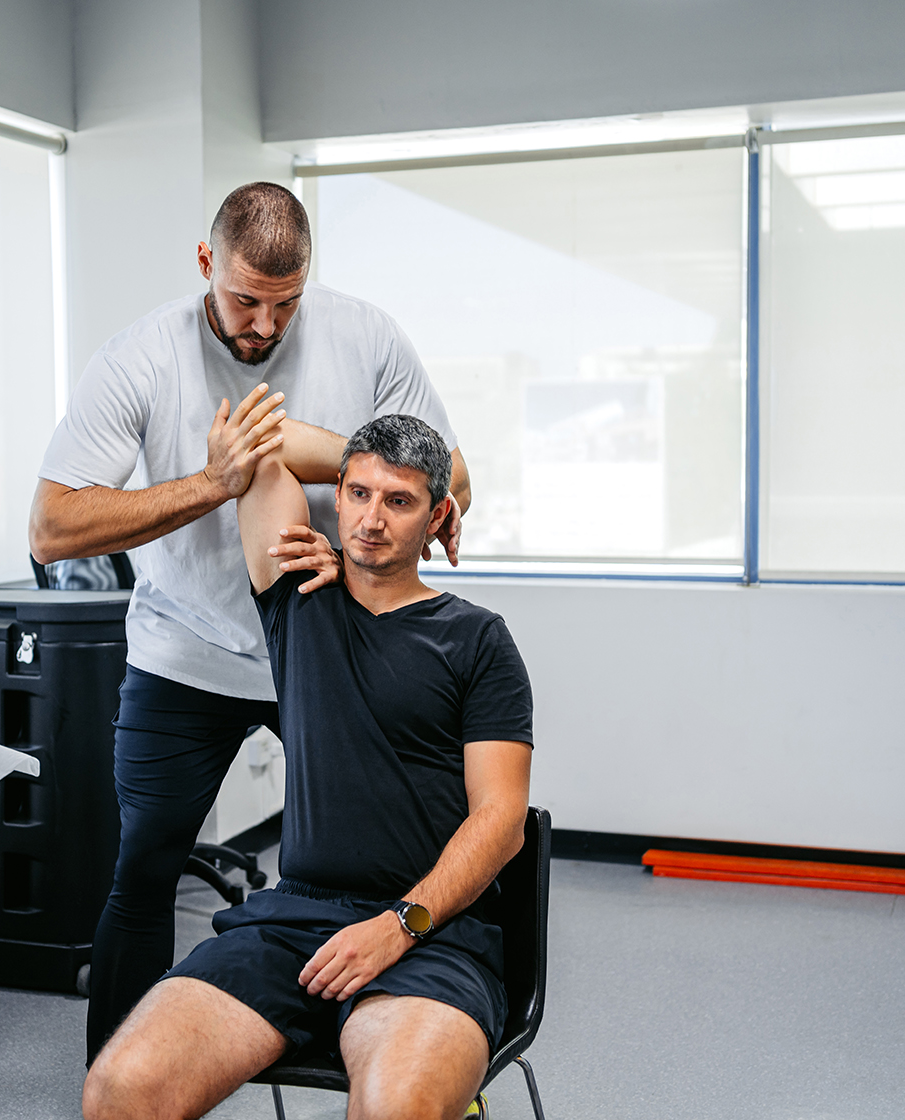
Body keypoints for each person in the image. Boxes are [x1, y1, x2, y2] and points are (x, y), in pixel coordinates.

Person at [29, 182, 475, 1059]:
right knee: (144, 866)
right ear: (206, 261)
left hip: (326, 644)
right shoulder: (141, 359)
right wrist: (213, 484)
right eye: (244, 300)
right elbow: (51, 528)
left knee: (392, 862)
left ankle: (416, 1053)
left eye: (286, 303)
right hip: (184, 651)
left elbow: (452, 476)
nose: (264, 326)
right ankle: (118, 1090)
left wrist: (362, 496)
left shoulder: (366, 336)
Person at [81, 414, 534, 1120]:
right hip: (292, 922)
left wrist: (399, 925)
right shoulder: (300, 597)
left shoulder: (477, 639)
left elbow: (502, 820)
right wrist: (352, 481)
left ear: (439, 516)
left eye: (400, 501)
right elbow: (262, 446)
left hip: (431, 932)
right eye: (358, 493)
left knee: (397, 1110)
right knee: (120, 1091)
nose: (371, 520)